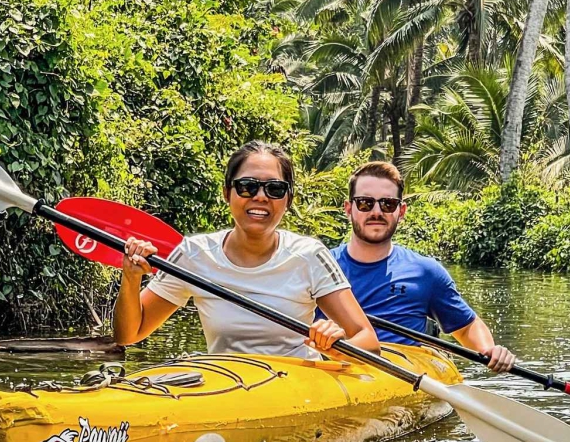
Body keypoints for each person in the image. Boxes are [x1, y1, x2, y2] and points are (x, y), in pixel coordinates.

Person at [113, 141, 381, 359]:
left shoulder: (309, 255)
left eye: (275, 189)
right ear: (227, 193)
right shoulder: (194, 254)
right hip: (227, 385)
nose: (260, 197)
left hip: (297, 387)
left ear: (288, 200)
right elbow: (129, 334)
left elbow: (368, 340)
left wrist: (337, 345)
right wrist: (131, 278)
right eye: (247, 186)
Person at [333, 160, 517, 372]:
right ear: (349, 208)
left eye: (388, 204)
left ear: (401, 211)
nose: (376, 212)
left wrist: (490, 350)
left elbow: (466, 328)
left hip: (399, 374)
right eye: (365, 203)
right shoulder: (317, 266)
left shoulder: (426, 272)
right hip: (331, 369)